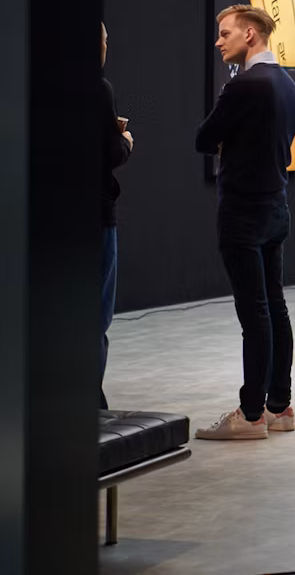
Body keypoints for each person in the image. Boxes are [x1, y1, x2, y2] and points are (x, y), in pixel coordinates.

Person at [194, 5, 295, 440]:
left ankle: (251, 413)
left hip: (242, 213)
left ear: (250, 35)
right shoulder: (287, 84)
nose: (219, 42)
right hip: (276, 206)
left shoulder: (242, 86)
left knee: (253, 313)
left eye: (225, 34)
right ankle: (280, 405)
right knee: (274, 307)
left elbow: (203, 139)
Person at [99, 22, 133, 409]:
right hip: (96, 214)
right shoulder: (99, 87)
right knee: (97, 318)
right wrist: (123, 140)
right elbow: (108, 155)